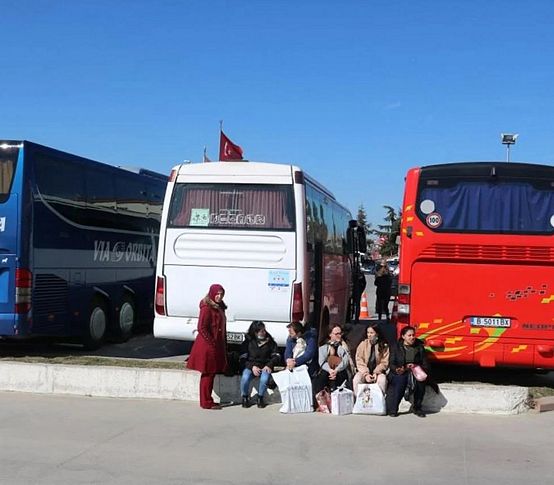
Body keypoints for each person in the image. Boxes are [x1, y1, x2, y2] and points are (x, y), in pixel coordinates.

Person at [186, 284, 227, 410]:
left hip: (215, 345)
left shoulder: (219, 306)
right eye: (217, 293)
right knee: (208, 373)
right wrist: (211, 342)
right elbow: (201, 327)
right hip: (207, 347)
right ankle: (206, 401)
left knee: (211, 373)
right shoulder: (206, 308)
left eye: (221, 294)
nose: (219, 296)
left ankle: (208, 399)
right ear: (211, 293)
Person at [387, 326, 429, 418]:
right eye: (409, 335)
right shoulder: (396, 347)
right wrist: (398, 369)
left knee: (420, 383)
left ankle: (417, 407)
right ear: (403, 336)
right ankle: (393, 409)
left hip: (415, 371)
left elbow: (425, 363)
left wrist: (416, 367)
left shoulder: (419, 347)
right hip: (401, 371)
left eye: (413, 335)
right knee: (400, 381)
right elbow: (391, 363)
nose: (412, 337)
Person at [239, 321, 281, 409]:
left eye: (264, 330)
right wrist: (252, 367)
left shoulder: (270, 342)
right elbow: (242, 358)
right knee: (245, 377)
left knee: (264, 379)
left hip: (265, 365)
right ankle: (245, 397)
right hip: (251, 366)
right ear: (255, 332)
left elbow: (276, 356)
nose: (264, 332)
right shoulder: (248, 342)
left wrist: (269, 365)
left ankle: (260, 397)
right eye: (261, 331)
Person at [313, 325, 354, 395]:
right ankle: (320, 397)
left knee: (340, 374)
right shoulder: (323, 346)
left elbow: (345, 361)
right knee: (323, 374)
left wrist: (336, 370)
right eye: (336, 334)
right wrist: (330, 370)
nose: (339, 336)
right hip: (328, 370)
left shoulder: (344, 346)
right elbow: (322, 361)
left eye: (340, 333)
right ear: (330, 334)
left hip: (341, 369)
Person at [352, 324, 390, 394]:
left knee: (382, 380)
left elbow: (385, 362)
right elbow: (359, 360)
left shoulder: (384, 345)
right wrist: (366, 374)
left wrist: (376, 372)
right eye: (368, 332)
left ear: (377, 334)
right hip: (364, 372)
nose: (369, 335)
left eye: (371, 333)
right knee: (356, 379)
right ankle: (357, 400)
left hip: (378, 372)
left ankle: (380, 401)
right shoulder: (363, 344)